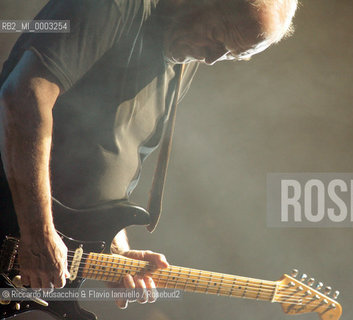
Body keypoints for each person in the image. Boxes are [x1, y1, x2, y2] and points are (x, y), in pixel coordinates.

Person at [0, 0, 297, 311]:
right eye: (217, 36)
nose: (212, 58)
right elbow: (23, 97)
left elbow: (111, 154)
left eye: (233, 55)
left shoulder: (185, 55)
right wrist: (38, 230)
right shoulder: (115, 7)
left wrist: (111, 248)